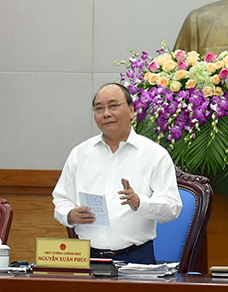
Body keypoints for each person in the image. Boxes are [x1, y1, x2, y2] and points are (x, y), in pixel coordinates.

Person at [52, 83, 182, 264]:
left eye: (113, 106)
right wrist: (69, 214)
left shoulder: (154, 155)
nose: (106, 113)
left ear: (131, 110)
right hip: (86, 258)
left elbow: (172, 208)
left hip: (137, 259)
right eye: (99, 108)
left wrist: (140, 202)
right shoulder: (80, 154)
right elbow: (61, 199)